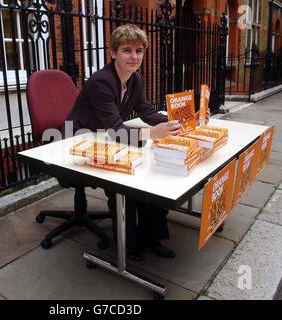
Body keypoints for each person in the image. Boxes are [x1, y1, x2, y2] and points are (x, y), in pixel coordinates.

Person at [65, 24, 209, 261]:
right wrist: (153, 133)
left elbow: (148, 113)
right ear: (113, 53)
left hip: (106, 135)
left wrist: (182, 120)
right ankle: (128, 244)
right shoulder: (101, 81)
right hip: (80, 138)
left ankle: (151, 237)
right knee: (122, 183)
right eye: (127, 50)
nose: (134, 57)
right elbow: (118, 132)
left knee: (148, 174)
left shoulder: (135, 79)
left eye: (139, 51)